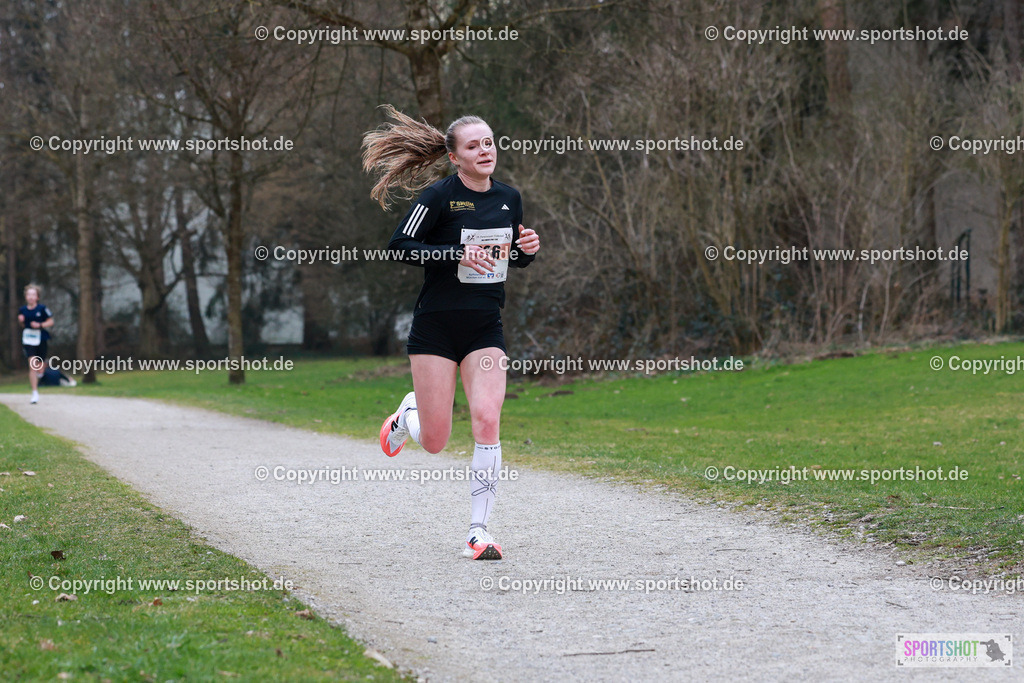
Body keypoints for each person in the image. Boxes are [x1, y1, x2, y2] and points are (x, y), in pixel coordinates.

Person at [362, 106, 541, 560]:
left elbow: (507, 259)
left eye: (489, 142)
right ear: (454, 156)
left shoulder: (509, 197)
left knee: (486, 419)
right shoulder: (437, 197)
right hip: (436, 329)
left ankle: (478, 532)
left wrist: (526, 252)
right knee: (437, 441)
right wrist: (454, 253)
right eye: (473, 145)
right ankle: (407, 417)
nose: (485, 151)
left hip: (485, 325)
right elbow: (400, 247)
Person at [18, 284, 54, 404]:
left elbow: (51, 321)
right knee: (32, 365)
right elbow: (23, 325)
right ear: (26, 296)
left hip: (41, 339)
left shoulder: (42, 309)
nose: (31, 297)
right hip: (28, 340)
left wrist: (40, 325)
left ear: (37, 297)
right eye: (29, 294)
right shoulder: (22, 310)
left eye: (33, 294)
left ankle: (41, 371)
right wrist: (21, 321)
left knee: (40, 365)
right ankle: (34, 393)